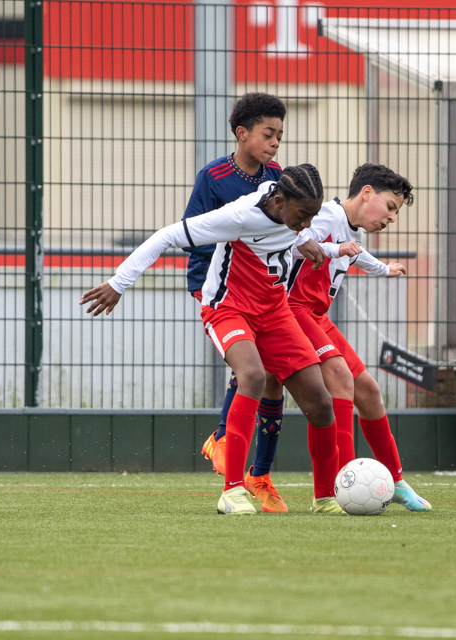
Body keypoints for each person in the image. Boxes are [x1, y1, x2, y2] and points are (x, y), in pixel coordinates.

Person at [80, 165, 347, 515]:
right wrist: (119, 282)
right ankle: (232, 492)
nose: (308, 224)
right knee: (252, 375)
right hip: (228, 309)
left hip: (275, 311)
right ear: (281, 202)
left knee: (320, 402)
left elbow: (291, 231)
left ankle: (325, 498)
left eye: (312, 216)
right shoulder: (239, 216)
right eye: (303, 216)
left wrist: (307, 241)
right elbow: (165, 236)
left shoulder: (287, 208)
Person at [285, 163, 432, 511]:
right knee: (339, 377)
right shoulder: (326, 215)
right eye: (390, 207)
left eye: (395, 212)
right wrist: (334, 250)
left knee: (368, 390)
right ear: (366, 193)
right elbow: (293, 242)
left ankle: (396, 481)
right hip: (292, 309)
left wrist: (383, 269)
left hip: (316, 316)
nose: (391, 217)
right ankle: (344, 485)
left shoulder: (354, 232)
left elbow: (356, 253)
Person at [180, 92, 291, 513]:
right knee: (251, 367)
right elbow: (192, 232)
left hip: (263, 289)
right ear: (242, 133)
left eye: (280, 135)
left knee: (268, 373)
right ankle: (225, 440)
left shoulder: (277, 177)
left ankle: (257, 473)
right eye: (268, 133)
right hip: (217, 286)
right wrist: (208, 281)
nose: (275, 143)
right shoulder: (213, 176)